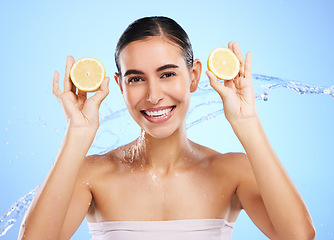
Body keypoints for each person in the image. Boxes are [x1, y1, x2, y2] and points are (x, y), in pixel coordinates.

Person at [18, 16, 315, 240]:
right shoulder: (92, 175)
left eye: (167, 74)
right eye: (136, 79)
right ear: (120, 86)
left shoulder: (232, 172)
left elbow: (299, 236)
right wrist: (77, 134)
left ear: (194, 75)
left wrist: (247, 122)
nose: (153, 95)